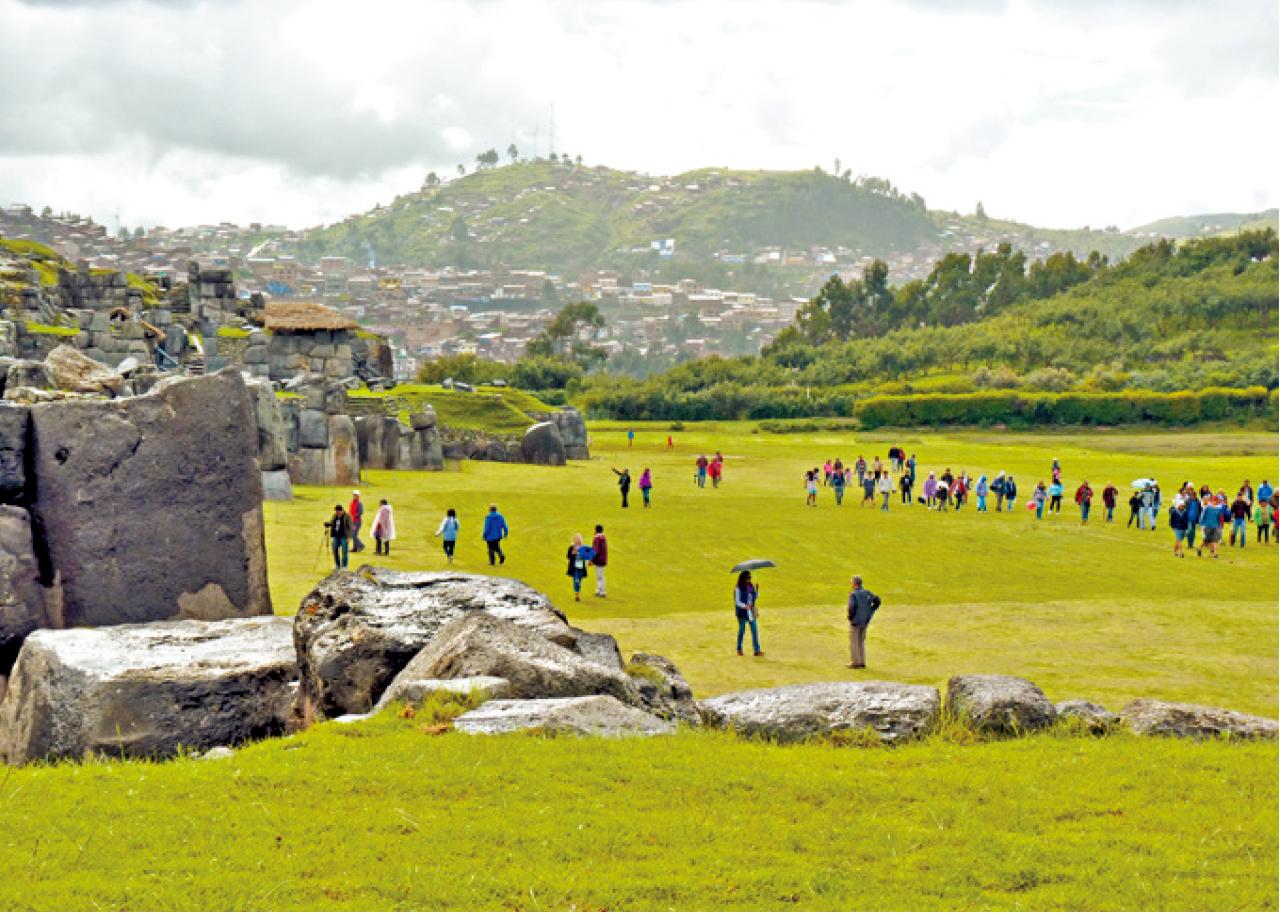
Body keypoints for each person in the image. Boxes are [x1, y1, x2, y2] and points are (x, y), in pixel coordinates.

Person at [846, 575, 882, 669]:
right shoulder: (867, 593)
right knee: (861, 642)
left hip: (856, 621)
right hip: (865, 621)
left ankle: (855, 662)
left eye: (852, 583)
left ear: (855, 584)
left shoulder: (853, 594)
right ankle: (862, 661)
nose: (851, 585)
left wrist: (850, 617)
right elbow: (878, 601)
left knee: (854, 642)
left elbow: (851, 607)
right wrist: (871, 611)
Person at [734, 570, 762, 657]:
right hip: (742, 612)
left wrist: (757, 590)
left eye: (750, 578)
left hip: (751, 612)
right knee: (742, 631)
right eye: (748, 578)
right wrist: (744, 606)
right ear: (743, 578)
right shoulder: (738, 588)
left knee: (754, 630)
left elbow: (754, 597)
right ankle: (739, 650)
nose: (749, 579)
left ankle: (757, 650)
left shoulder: (750, 586)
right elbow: (737, 602)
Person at [565, 533, 595, 602]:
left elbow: (591, 553)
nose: (578, 541)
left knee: (579, 582)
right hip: (574, 568)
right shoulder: (571, 547)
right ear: (574, 541)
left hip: (581, 568)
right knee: (576, 581)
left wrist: (590, 560)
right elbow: (568, 556)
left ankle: (578, 589)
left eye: (579, 540)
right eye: (577, 540)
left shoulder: (583, 548)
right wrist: (573, 553)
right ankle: (577, 596)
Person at [325, 504, 353, 569]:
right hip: (335, 536)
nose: (337, 512)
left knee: (344, 551)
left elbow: (350, 527)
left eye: (339, 511)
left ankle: (344, 566)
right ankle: (337, 565)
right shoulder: (335, 516)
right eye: (336, 511)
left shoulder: (347, 516)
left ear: (342, 510)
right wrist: (328, 524)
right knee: (334, 550)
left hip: (344, 536)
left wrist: (349, 537)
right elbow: (332, 523)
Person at [591, 525, 609, 597]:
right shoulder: (603, 538)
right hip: (603, 559)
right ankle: (599, 590)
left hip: (599, 560)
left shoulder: (597, 538)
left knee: (600, 576)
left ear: (596, 530)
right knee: (600, 576)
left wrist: (592, 559)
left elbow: (596, 550)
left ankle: (602, 592)